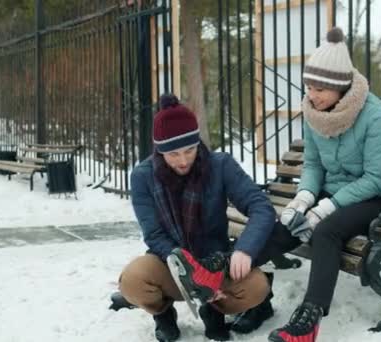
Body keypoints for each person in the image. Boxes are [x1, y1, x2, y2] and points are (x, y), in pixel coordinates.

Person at [267, 27, 381, 342]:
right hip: (340, 192)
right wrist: (303, 198)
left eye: (318, 89)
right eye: (308, 86)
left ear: (340, 87)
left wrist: (326, 206)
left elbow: (377, 178)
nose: (311, 95)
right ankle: (224, 274)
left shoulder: (376, 117)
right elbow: (314, 164)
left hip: (380, 197)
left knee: (326, 229)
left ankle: (309, 320)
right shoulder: (315, 113)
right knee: (290, 223)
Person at [118, 94, 278, 342]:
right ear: (160, 151)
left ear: (197, 143)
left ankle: (213, 309)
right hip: (171, 263)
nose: (183, 161)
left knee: (256, 287)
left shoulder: (221, 165)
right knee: (133, 281)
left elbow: (261, 207)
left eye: (189, 150)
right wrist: (189, 272)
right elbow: (154, 235)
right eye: (173, 154)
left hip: (216, 263)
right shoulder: (143, 176)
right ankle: (163, 315)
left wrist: (244, 250)